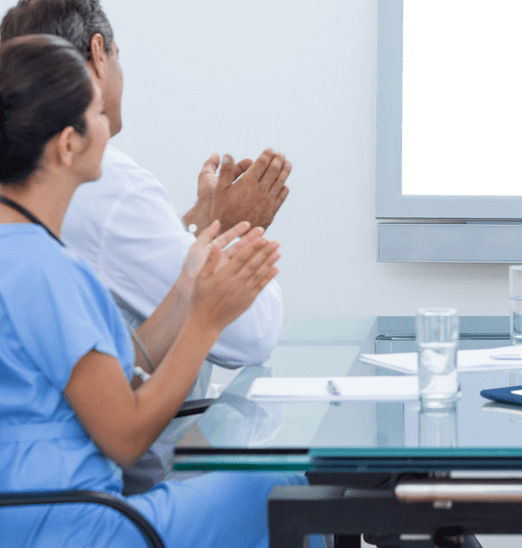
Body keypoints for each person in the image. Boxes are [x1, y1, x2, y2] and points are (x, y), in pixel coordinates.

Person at [0, 34, 309, 547]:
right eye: (98, 115)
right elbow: (125, 436)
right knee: (283, 487)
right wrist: (207, 321)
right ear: (67, 142)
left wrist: (189, 282)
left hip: (23, 521)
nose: (108, 128)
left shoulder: (23, 256)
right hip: (78, 528)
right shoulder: (48, 271)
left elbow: (114, 375)